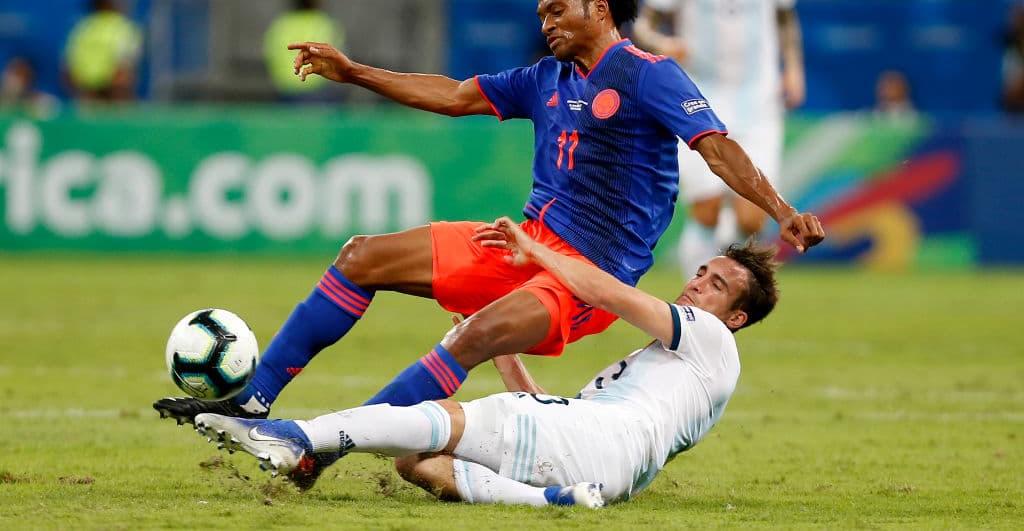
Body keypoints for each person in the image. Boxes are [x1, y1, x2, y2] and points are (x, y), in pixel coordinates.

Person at [155, 0, 824, 488]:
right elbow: (451, 94)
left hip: (586, 275)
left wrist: (782, 209)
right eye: (542, 14)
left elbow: (717, 147)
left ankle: (316, 448)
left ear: (599, 7)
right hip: (521, 241)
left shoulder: (647, 74)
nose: (547, 23)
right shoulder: (544, 79)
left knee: (475, 336)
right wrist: (354, 71)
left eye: (558, 10)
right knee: (361, 256)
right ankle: (253, 401)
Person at [191, 217, 781, 507]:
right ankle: (549, 501)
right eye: (702, 272)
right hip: (607, 463)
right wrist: (503, 353)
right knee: (415, 462)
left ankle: (297, 437)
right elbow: (559, 414)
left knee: (441, 418)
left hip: (602, 442)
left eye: (717, 285)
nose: (698, 284)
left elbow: (610, 294)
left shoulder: (710, 339)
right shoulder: (680, 368)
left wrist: (537, 252)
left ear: (736, 318)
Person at [633, 0, 806, 279]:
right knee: (707, 209)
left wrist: (793, 68)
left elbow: (785, 19)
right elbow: (643, 25)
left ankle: (717, 276)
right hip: (698, 97)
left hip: (758, 98)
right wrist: (662, 44)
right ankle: (700, 301)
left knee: (751, 219)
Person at [62, 0, 143, 101]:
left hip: (92, 83)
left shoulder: (83, 26)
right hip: (98, 83)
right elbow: (129, 58)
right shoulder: (122, 25)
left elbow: (68, 59)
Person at [262, 0, 340, 99]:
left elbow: (269, 53)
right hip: (315, 87)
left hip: (284, 85)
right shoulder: (323, 23)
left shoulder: (281, 23)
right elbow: (336, 57)